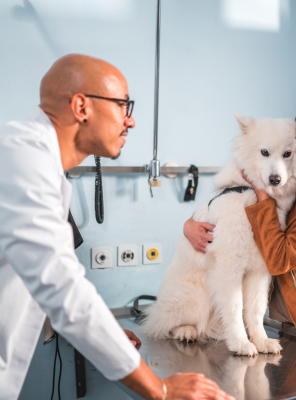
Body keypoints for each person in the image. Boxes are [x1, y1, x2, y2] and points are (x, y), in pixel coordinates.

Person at [0, 54, 233, 400]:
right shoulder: (23, 162)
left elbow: (44, 275)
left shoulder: (31, 158)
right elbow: (63, 290)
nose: (132, 121)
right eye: (123, 105)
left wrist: (106, 336)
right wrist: (162, 388)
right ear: (81, 107)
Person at [184, 92, 296, 345]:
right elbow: (231, 203)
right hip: (292, 319)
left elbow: (279, 258)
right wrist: (190, 225)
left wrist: (260, 190)